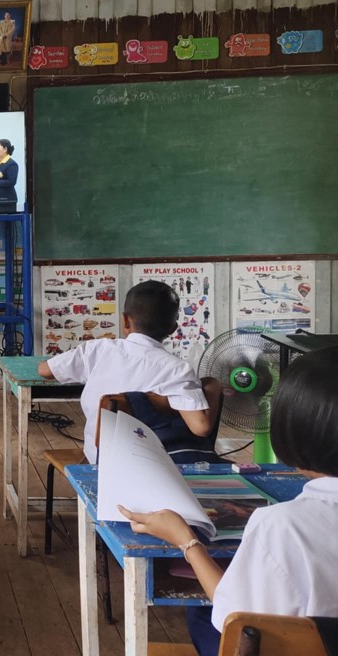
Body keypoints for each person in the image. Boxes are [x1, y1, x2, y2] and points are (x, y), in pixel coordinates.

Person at [119, 346, 338, 656]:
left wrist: (187, 542)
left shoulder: (282, 526)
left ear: (295, 427)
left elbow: (233, 617)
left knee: (202, 613)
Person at [38, 280, 216, 464]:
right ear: (173, 329)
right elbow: (201, 427)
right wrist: (213, 386)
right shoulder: (177, 369)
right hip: (153, 465)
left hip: (99, 462)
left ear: (124, 320)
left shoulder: (97, 349)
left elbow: (45, 370)